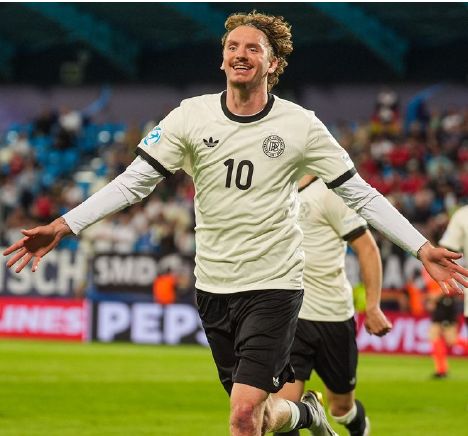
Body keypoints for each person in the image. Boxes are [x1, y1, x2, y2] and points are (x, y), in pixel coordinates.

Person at [3, 11, 468, 436]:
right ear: (222, 58)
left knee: (242, 415)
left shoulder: (301, 125)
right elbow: (132, 184)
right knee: (260, 417)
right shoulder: (191, 116)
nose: (240, 54)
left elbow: (360, 193)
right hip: (214, 287)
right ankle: (306, 413)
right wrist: (64, 224)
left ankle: (305, 412)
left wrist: (421, 247)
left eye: (252, 48)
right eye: (232, 46)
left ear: (273, 63)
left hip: (275, 285)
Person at [274, 175, 392, 436]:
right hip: (291, 314)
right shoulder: (274, 185)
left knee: (341, 408)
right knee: (282, 410)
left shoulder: (330, 193)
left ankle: (357, 425)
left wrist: (373, 307)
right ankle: (310, 414)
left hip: (332, 315)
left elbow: (367, 248)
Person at [432, 205, 468, 377]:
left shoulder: (462, 215)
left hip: (446, 301)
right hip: (442, 302)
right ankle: (441, 370)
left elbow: (451, 280)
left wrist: (435, 296)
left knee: (450, 339)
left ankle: (442, 370)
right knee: (434, 335)